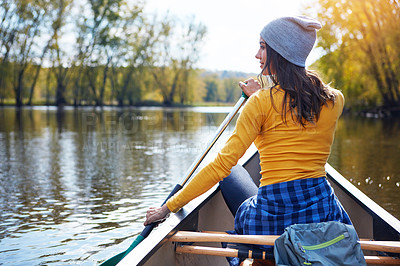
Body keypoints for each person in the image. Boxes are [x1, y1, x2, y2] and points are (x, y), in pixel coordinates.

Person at [144, 15, 351, 263]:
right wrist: (262, 94)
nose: (257, 55)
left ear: (280, 52)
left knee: (230, 172)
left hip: (275, 219)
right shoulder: (334, 100)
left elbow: (222, 165)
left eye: (263, 47)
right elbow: (294, 102)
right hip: (320, 212)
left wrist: (168, 207)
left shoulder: (261, 103)